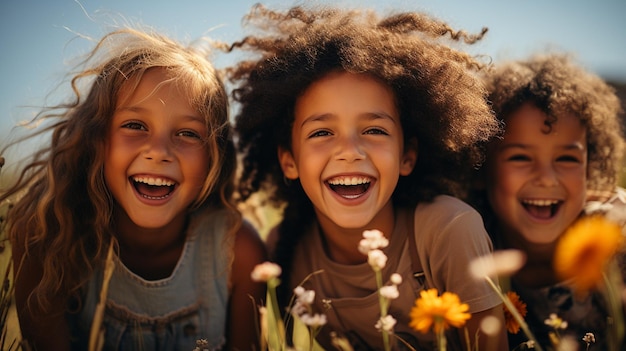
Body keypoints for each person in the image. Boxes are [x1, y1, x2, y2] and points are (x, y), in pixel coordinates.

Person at [226, 4, 508, 350]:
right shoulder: (284, 252)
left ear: (407, 155)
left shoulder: (449, 230)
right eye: (321, 133)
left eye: (374, 130)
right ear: (289, 161)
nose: (350, 151)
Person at [0, 27, 266, 351]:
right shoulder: (48, 235)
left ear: (215, 157)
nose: (159, 151)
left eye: (188, 133)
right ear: (96, 141)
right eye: (135, 126)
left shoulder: (238, 252)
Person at [469, 53, 626, 350]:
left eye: (567, 158)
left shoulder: (615, 236)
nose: (547, 178)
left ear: (589, 167)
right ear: (480, 167)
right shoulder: (465, 244)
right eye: (520, 157)